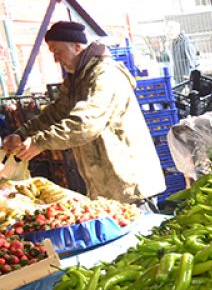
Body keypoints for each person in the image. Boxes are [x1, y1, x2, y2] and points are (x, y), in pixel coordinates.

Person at [2, 21, 164, 204]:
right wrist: (22, 133)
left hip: (131, 186)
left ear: (77, 47)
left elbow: (86, 123)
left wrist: (40, 142)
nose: (56, 59)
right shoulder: (76, 81)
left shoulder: (105, 75)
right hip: (106, 188)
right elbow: (54, 114)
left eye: (57, 51)